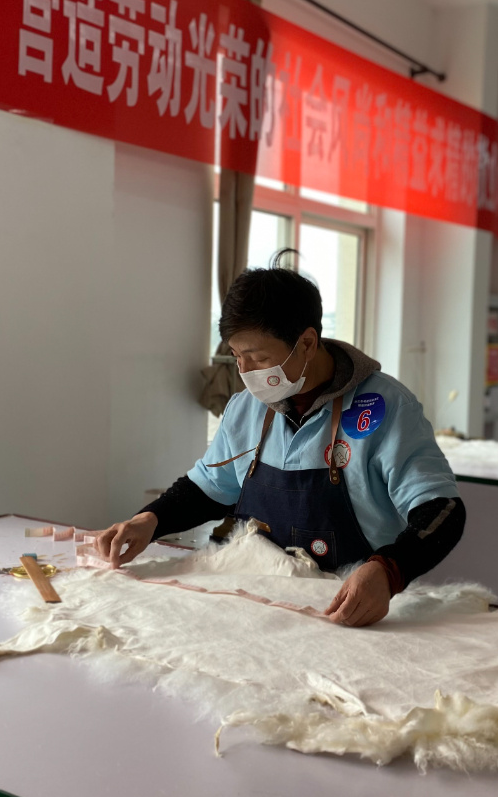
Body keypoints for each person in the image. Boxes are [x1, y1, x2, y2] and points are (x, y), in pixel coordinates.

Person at [92, 256, 465, 628]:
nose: (245, 372)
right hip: (254, 604)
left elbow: (442, 511)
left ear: (307, 343)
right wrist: (151, 519)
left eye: (258, 358)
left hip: (342, 609)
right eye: (237, 356)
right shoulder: (245, 408)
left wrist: (389, 570)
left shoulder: (386, 407)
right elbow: (208, 489)